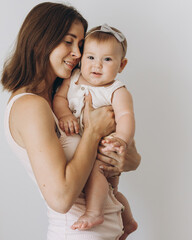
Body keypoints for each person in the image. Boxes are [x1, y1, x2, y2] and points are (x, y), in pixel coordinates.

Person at [1, 2, 141, 240]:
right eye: (68, 41)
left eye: (80, 44)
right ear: (39, 41)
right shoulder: (30, 107)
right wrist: (93, 131)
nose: (78, 53)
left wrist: (121, 151)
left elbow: (133, 160)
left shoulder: (68, 95)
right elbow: (61, 199)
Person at [52, 24, 138, 236]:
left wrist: (121, 140)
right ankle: (128, 221)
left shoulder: (116, 90)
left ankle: (93, 212)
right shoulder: (72, 79)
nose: (97, 65)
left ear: (122, 65)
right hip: (85, 143)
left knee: (98, 171)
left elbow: (126, 117)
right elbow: (59, 99)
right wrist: (65, 115)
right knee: (111, 192)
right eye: (90, 57)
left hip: (104, 146)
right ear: (81, 59)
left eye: (107, 59)